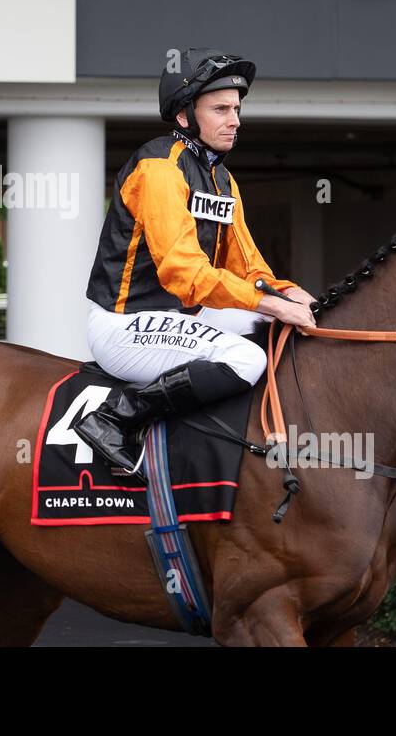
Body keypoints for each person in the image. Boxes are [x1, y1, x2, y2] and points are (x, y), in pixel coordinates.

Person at [75, 48, 318, 475]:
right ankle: (115, 417)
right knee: (248, 360)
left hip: (180, 317)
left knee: (279, 329)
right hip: (124, 324)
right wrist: (272, 303)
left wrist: (289, 293)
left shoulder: (222, 178)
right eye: (221, 109)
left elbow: (249, 268)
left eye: (237, 109)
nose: (235, 120)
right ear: (185, 115)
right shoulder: (158, 168)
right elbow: (183, 272)